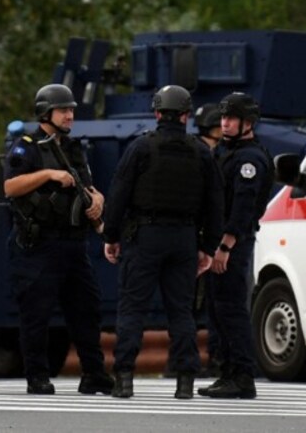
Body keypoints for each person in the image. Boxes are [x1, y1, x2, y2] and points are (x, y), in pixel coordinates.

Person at [103, 85, 223, 399]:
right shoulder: (201, 151)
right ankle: (185, 381)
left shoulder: (141, 147)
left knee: (132, 309)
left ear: (157, 113)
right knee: (181, 312)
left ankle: (124, 378)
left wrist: (111, 236)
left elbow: (118, 194)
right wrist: (207, 247)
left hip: (145, 237)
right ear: (186, 115)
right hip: (184, 239)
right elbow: (215, 204)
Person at [4, 83, 114, 395]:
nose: (70, 115)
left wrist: (98, 201)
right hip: (40, 245)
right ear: (45, 112)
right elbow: (10, 187)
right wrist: (49, 175)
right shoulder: (26, 146)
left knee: (87, 310)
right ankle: (37, 376)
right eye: (63, 110)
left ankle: (93, 373)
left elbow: (90, 187)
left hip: (74, 244)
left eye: (71, 110)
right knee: (36, 313)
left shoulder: (73, 148)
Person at [199, 92, 274, 399]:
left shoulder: (249, 160)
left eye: (231, 119)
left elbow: (243, 211)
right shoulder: (226, 152)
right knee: (217, 309)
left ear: (248, 123)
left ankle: (243, 375)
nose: (224, 123)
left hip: (232, 245)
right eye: (223, 118)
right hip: (216, 242)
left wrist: (225, 247)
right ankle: (228, 371)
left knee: (231, 309)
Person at [193, 102, 223, 377]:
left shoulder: (198, 152)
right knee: (205, 302)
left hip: (198, 237)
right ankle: (210, 359)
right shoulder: (207, 157)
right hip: (202, 239)